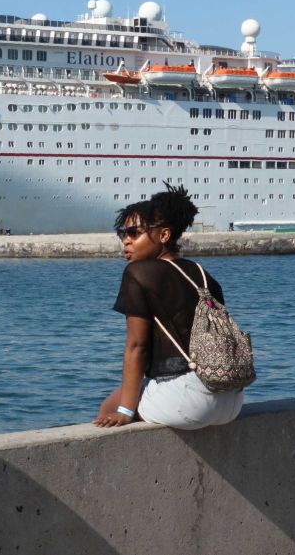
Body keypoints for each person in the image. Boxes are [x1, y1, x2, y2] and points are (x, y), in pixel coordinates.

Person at [94, 184, 244, 430]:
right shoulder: (204, 276)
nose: (126, 241)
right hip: (231, 400)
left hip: (188, 402)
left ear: (164, 235)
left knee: (109, 409)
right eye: (123, 233)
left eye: (134, 233)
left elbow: (137, 347)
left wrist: (125, 411)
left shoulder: (139, 273)